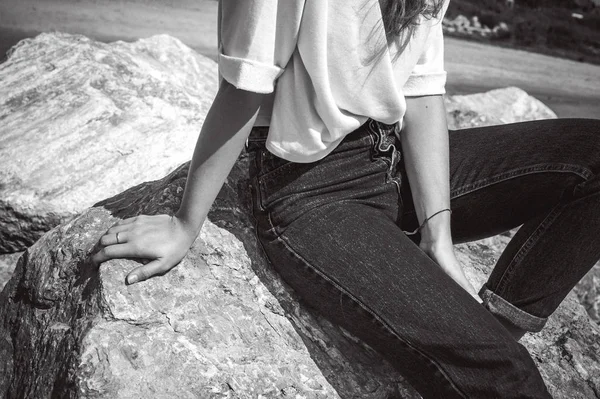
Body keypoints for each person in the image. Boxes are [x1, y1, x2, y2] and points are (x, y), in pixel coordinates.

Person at [92, 0, 600, 397]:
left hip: (389, 157)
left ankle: (498, 327)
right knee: (506, 377)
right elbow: (244, 86)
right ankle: (487, 349)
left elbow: (422, 91)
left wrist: (438, 233)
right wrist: (186, 223)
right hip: (310, 189)